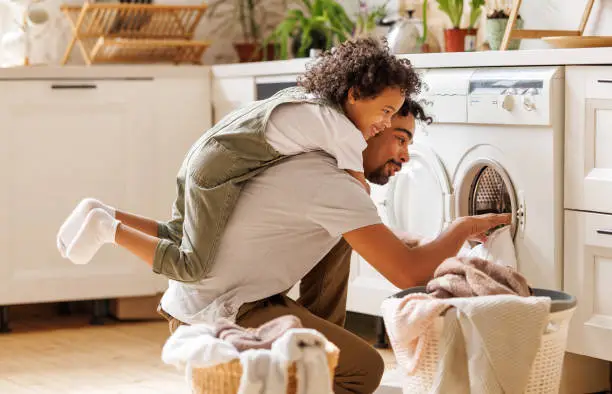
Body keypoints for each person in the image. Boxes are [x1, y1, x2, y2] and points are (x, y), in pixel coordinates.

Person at [155, 98, 509, 394]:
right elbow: (409, 273)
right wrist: (462, 227)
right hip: (221, 312)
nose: (405, 155)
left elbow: (375, 238)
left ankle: (314, 360)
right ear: (371, 129)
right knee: (364, 370)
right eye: (399, 139)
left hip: (225, 298)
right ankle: (313, 373)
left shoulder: (320, 167)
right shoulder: (332, 185)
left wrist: (437, 241)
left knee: (342, 240)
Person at [55, 37, 423, 283]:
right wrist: (395, 242)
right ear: (356, 94)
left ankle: (103, 210)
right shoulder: (342, 132)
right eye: (386, 112)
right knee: (192, 267)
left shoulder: (314, 102)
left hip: (203, 157)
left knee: (177, 234)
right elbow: (358, 200)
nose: (385, 124)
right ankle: (107, 229)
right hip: (218, 171)